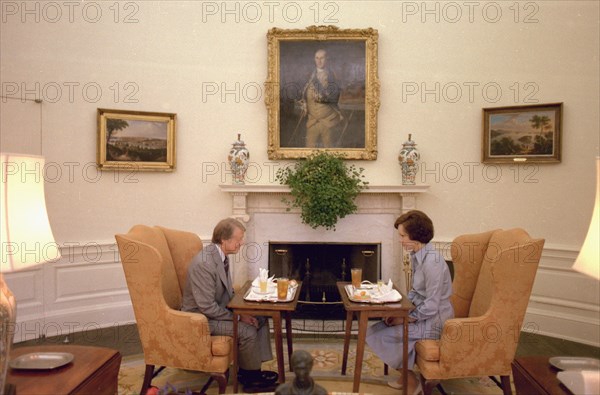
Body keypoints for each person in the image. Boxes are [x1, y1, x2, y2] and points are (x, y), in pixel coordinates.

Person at [181, 218, 278, 390]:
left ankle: (252, 370)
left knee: (261, 318)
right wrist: (239, 317)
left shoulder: (220, 255)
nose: (242, 243)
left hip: (216, 311)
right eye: (239, 239)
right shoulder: (205, 263)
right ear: (224, 240)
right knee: (247, 330)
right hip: (201, 319)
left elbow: (227, 292)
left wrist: (246, 311)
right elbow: (207, 307)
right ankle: (251, 380)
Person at [366, 210, 454, 394]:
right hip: (423, 314)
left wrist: (407, 319)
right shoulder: (417, 256)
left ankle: (410, 379)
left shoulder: (433, 262)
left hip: (436, 320)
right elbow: (415, 292)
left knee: (382, 336)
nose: (400, 240)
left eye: (403, 235)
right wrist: (399, 313)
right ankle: (406, 375)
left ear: (416, 235)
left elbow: (431, 305)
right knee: (375, 329)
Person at [298, 48, 344, 148]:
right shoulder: (309, 75)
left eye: (322, 58)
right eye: (317, 58)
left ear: (327, 59)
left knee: (329, 151)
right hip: (312, 121)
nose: (319, 61)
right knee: (309, 150)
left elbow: (335, 97)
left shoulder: (334, 76)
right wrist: (304, 103)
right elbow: (301, 93)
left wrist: (322, 97)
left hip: (328, 121)